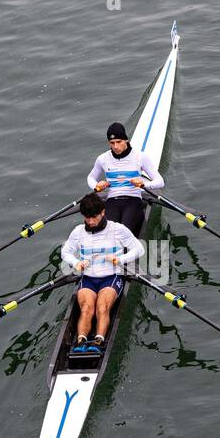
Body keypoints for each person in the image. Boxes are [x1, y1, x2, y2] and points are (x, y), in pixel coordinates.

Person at [60, 192, 144, 356]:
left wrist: (120, 259)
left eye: (94, 217)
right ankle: (81, 342)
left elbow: (139, 249)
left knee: (102, 307)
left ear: (103, 212)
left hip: (111, 277)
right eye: (87, 218)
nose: (91, 222)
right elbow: (65, 252)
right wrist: (76, 263)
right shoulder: (78, 232)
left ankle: (98, 342)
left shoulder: (117, 229)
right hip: (88, 279)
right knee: (86, 308)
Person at [87, 121, 164, 237]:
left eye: (119, 142)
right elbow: (91, 177)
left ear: (126, 140)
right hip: (112, 201)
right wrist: (96, 186)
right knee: (107, 233)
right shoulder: (102, 159)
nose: (115, 146)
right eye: (112, 143)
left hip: (133, 199)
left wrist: (143, 185)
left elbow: (160, 182)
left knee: (124, 232)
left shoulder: (140, 157)